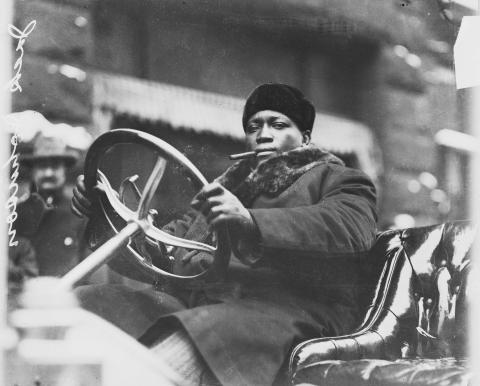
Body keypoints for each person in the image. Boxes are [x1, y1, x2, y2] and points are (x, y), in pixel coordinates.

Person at [72, 83, 378, 386]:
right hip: (202, 309)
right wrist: (104, 213)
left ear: (305, 137)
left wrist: (251, 222)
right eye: (254, 126)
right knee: (87, 304)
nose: (264, 134)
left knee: (170, 355)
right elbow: (165, 251)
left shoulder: (338, 178)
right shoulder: (225, 189)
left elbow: (352, 227)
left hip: (285, 314)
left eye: (279, 124)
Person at [18, 132, 88, 277]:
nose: (48, 173)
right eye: (42, 167)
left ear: (64, 170)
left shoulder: (80, 212)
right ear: (33, 171)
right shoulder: (16, 215)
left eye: (55, 166)